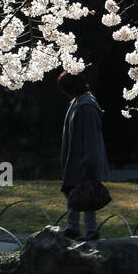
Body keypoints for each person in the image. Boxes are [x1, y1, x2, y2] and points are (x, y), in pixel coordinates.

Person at [58, 70, 110, 242]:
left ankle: (91, 230)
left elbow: (91, 137)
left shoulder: (87, 106)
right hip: (74, 158)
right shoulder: (77, 102)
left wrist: (88, 162)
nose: (64, 93)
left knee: (86, 193)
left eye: (65, 89)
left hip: (84, 159)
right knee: (72, 191)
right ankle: (73, 227)